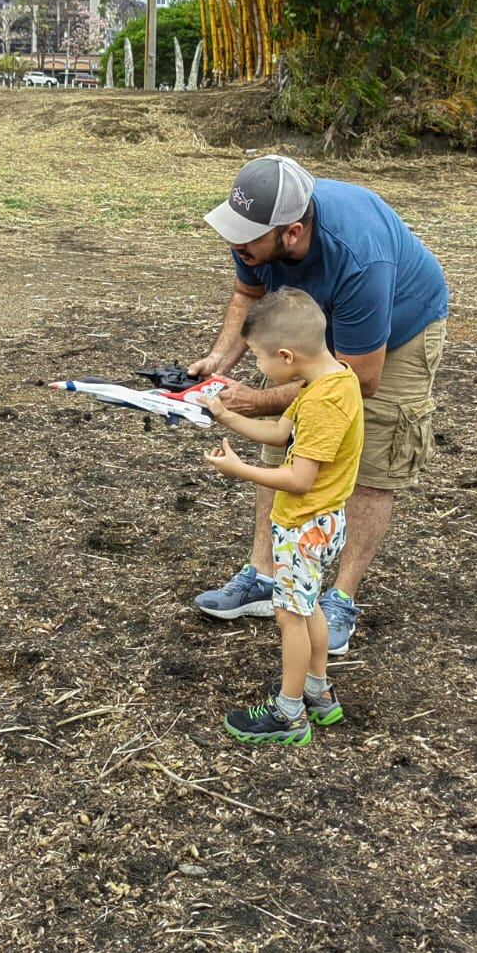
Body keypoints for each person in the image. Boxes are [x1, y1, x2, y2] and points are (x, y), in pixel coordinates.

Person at [189, 155, 448, 655]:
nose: (235, 245)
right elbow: (248, 292)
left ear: (292, 232)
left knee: (368, 463)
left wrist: (259, 399)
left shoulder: (359, 257)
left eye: (247, 238)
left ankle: (341, 599)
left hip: (396, 333)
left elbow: (358, 378)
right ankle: (264, 577)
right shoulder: (254, 232)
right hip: (313, 320)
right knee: (285, 443)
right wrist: (219, 361)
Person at [202, 289, 363, 746]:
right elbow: (277, 431)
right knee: (306, 605)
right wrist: (226, 416)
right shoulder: (333, 381)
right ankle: (319, 693)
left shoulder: (321, 403)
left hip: (305, 526)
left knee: (290, 616)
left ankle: (289, 714)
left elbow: (298, 478)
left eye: (257, 357)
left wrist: (240, 470)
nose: (257, 369)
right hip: (323, 522)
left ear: (286, 355)